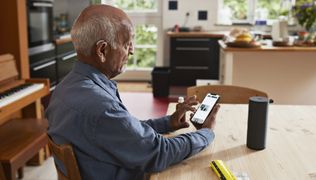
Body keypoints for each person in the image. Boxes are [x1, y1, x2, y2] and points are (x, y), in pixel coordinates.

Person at [46, 4, 220, 180]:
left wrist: (168, 123)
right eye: (126, 43)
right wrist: (206, 133)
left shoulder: (64, 88)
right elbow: (160, 152)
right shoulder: (100, 107)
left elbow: (123, 132)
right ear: (102, 50)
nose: (132, 50)